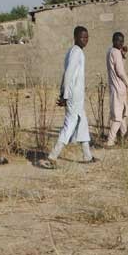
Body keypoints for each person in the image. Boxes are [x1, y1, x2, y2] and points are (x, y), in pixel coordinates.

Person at [39, 26, 96, 169]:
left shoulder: (74, 51)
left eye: (87, 37)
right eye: (82, 37)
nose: (85, 39)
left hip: (76, 96)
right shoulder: (76, 52)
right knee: (70, 124)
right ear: (75, 37)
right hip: (74, 95)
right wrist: (65, 94)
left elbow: (66, 74)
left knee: (82, 124)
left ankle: (88, 156)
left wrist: (63, 92)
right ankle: (52, 157)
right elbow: (69, 73)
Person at [105, 32, 128, 147]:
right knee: (118, 117)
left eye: (122, 41)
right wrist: (127, 82)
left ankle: (124, 138)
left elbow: (118, 66)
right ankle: (110, 141)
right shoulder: (115, 52)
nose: (121, 43)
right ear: (113, 40)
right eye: (118, 40)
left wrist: (123, 55)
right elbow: (120, 71)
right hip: (119, 87)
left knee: (122, 114)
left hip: (115, 88)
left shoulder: (111, 51)